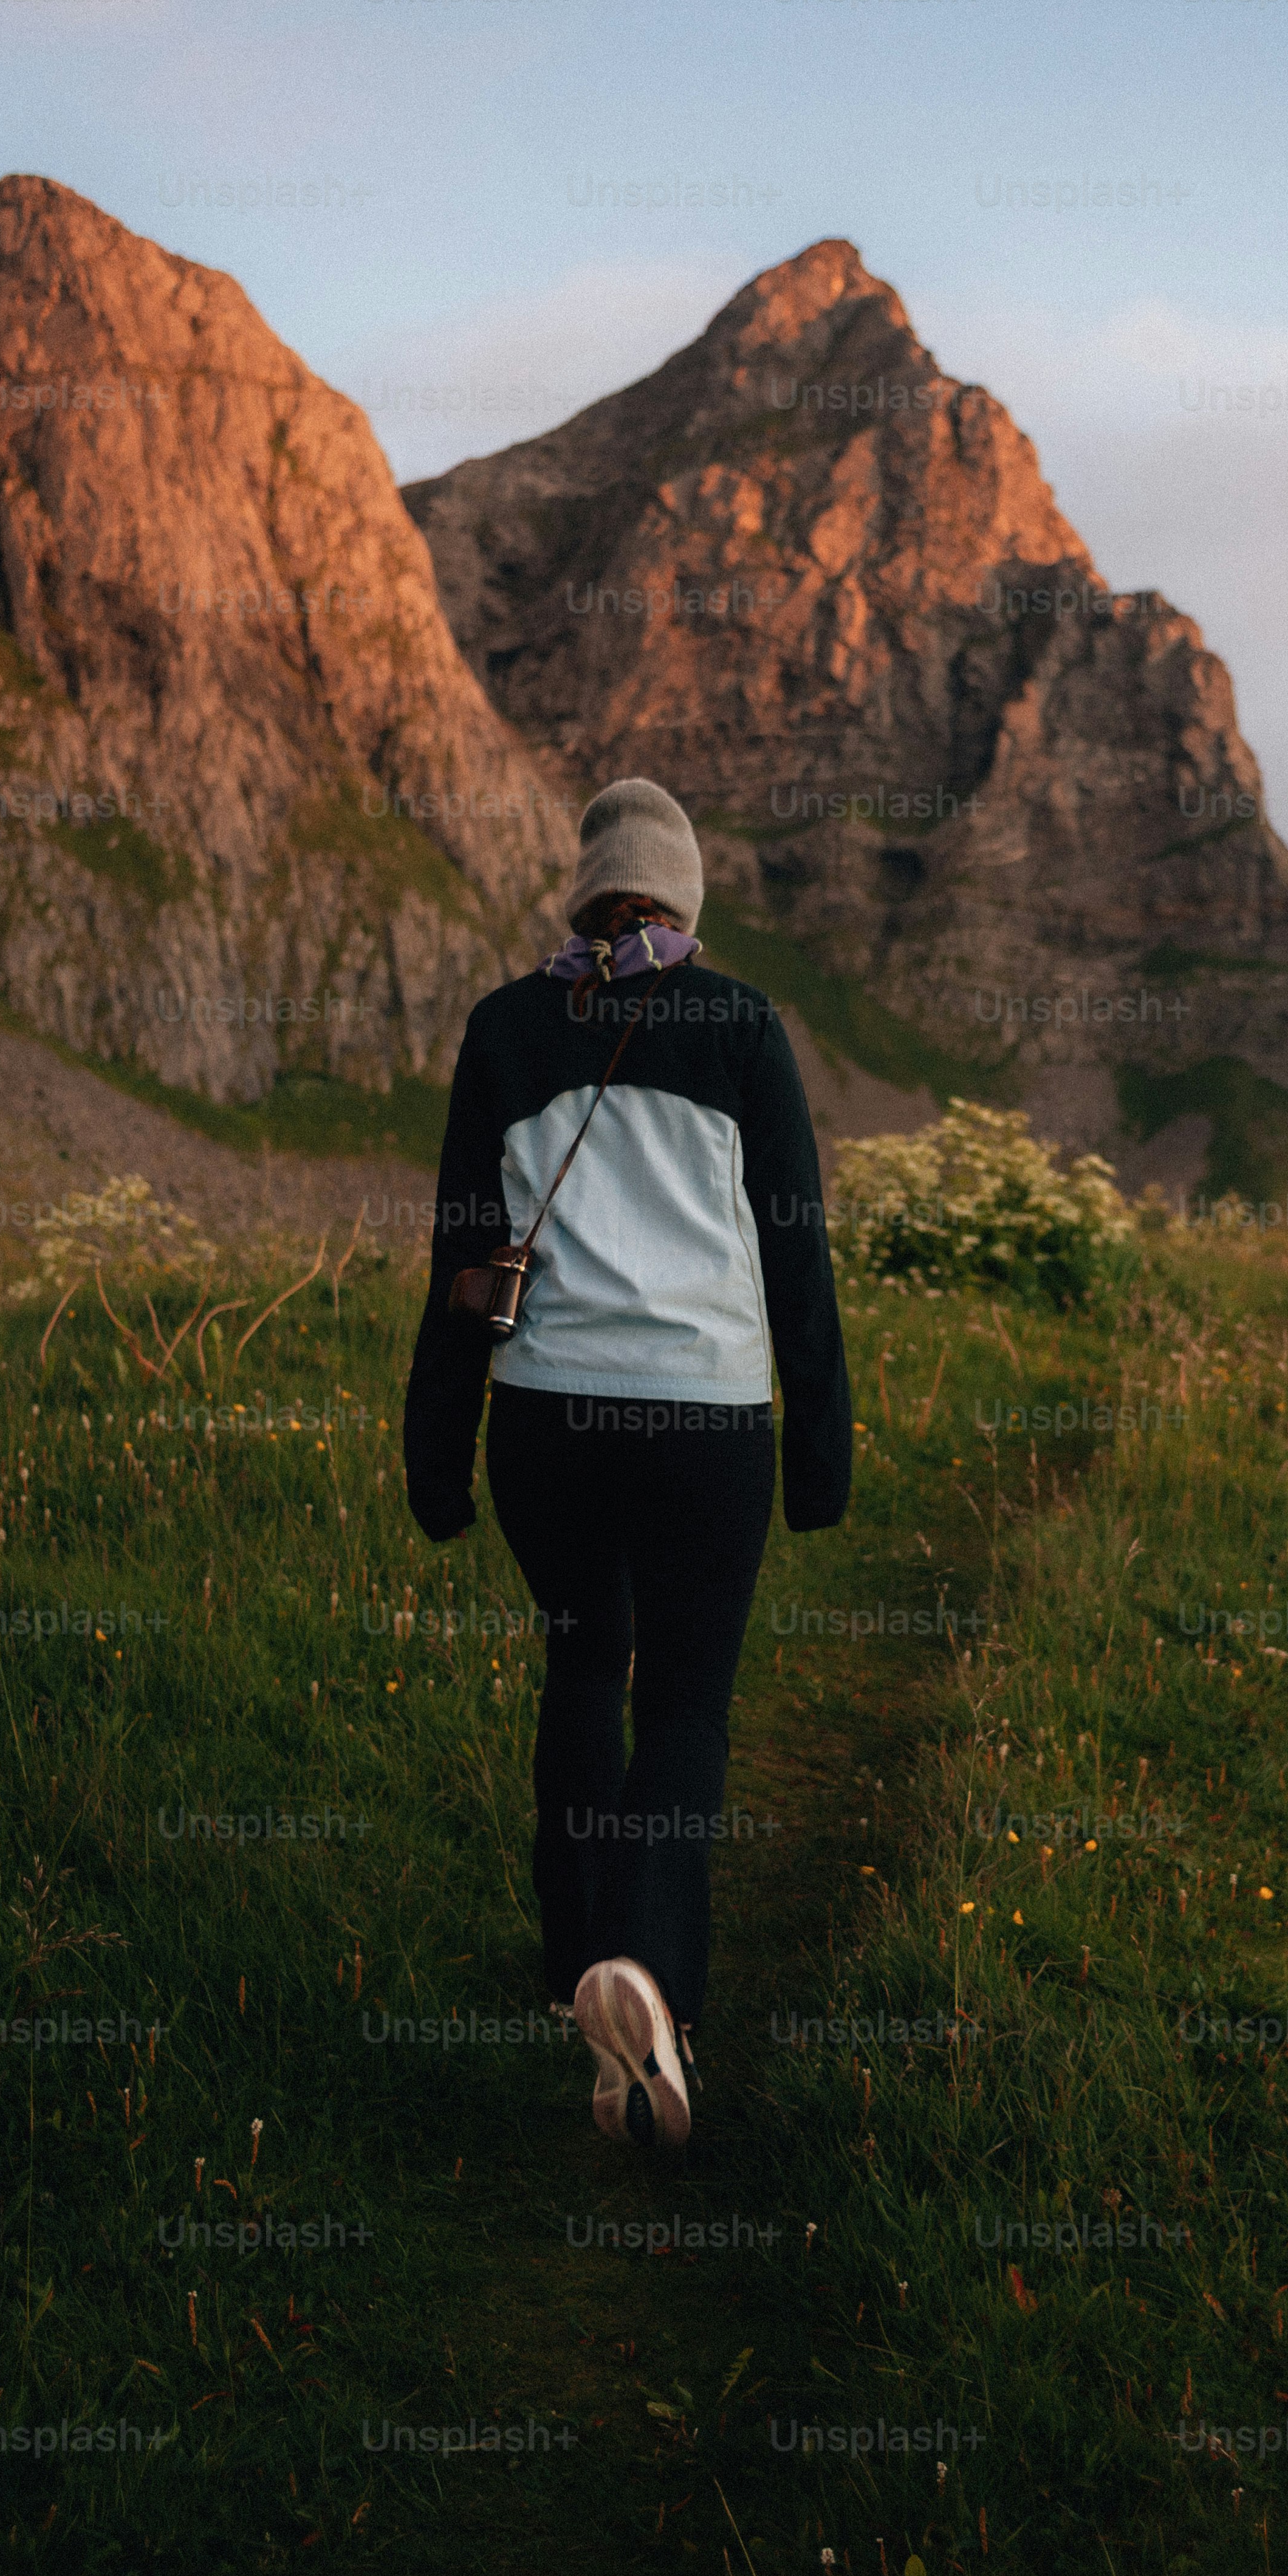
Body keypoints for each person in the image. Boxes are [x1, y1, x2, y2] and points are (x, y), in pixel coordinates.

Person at [403, 778, 854, 2149]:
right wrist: (821, 1453)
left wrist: (438, 1453)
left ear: (584, 892)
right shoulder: (740, 1025)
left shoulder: (503, 1026)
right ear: (687, 901)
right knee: (688, 1707)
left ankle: (577, 1970)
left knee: (585, 1667)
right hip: (708, 1425)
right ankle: (650, 1971)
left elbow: (458, 1262)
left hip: (547, 1419)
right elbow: (798, 1255)